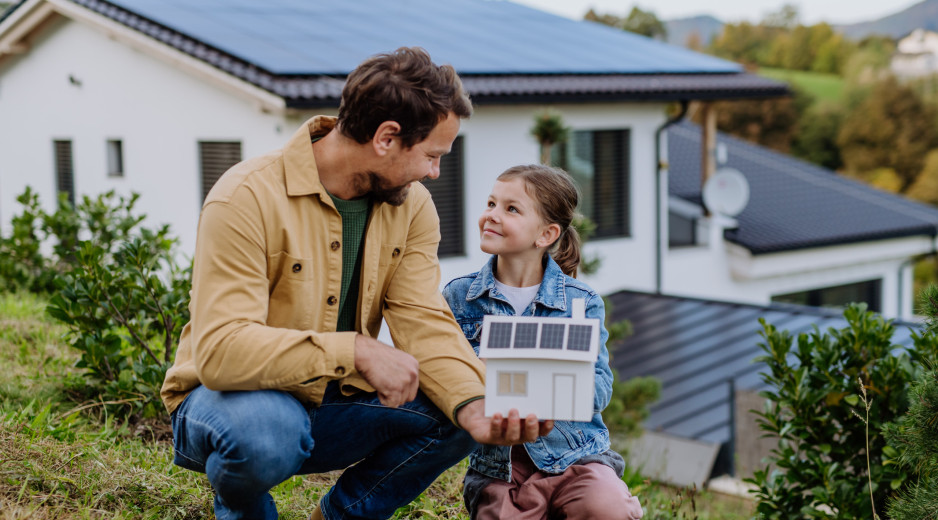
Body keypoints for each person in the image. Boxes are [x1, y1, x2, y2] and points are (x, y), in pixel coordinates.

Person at [160, 48, 552, 520]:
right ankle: (243, 510)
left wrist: (473, 406)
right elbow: (221, 353)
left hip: (332, 404)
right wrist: (357, 350)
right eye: (431, 155)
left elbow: (423, 318)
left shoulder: (412, 208)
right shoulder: (245, 196)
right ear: (387, 137)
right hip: (228, 404)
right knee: (266, 433)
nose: (434, 171)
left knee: (459, 404)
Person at [442, 164, 645, 520]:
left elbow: (600, 386)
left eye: (511, 209)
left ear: (546, 234)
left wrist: (547, 390)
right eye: (491, 203)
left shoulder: (581, 301)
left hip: (576, 456)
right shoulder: (460, 296)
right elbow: (445, 374)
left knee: (607, 507)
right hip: (499, 467)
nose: (491, 215)